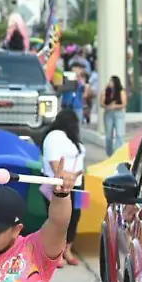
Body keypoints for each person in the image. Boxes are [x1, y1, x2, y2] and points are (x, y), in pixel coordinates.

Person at [41, 109, 86, 266]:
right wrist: (63, 178)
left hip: (79, 184)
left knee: (76, 216)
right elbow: (55, 163)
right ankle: (57, 252)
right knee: (60, 219)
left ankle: (68, 249)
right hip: (60, 184)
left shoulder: (73, 138)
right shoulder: (54, 136)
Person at [101, 75, 128, 154]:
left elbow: (124, 104)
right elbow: (102, 103)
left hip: (118, 113)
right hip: (108, 113)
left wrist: (115, 106)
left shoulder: (121, 91)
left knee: (119, 134)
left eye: (111, 81)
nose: (109, 83)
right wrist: (108, 106)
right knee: (108, 135)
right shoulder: (105, 91)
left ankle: (118, 152)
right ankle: (109, 153)